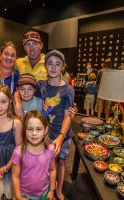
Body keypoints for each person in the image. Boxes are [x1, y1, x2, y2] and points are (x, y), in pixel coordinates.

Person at [35, 50, 74, 200]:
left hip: (63, 135)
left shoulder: (68, 90)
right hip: (45, 135)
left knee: (61, 162)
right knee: (46, 163)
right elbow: (26, 91)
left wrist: (61, 137)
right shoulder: (41, 85)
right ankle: (49, 187)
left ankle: (59, 189)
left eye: (57, 64)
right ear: (45, 66)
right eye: (50, 63)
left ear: (63, 66)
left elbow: (68, 116)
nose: (53, 67)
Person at [12, 110, 56, 200]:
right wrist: (18, 197)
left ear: (45, 130)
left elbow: (52, 170)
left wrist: (51, 191)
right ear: (24, 130)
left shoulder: (50, 149)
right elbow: (15, 176)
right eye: (30, 129)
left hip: (44, 193)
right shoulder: (18, 152)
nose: (34, 133)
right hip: (24, 195)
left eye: (39, 129)